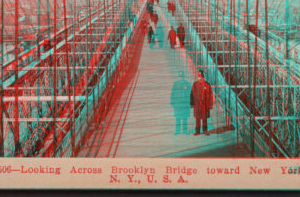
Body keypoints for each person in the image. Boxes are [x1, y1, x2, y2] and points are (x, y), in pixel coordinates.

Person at [190, 70, 214, 136]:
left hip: (205, 104)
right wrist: (191, 103)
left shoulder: (207, 84)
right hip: (197, 104)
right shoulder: (195, 84)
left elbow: (210, 95)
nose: (200, 78)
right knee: (198, 118)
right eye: (199, 77)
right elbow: (192, 94)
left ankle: (205, 130)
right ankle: (197, 131)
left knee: (204, 118)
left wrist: (210, 104)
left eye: (201, 77)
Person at [171, 70, 191, 135]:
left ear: (184, 76)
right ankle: (177, 130)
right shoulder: (175, 84)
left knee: (185, 117)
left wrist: (191, 103)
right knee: (178, 117)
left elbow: (190, 94)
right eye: (180, 76)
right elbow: (173, 93)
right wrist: (172, 102)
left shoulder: (187, 84)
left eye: (182, 76)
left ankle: (185, 130)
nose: (181, 78)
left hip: (185, 103)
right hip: (177, 103)